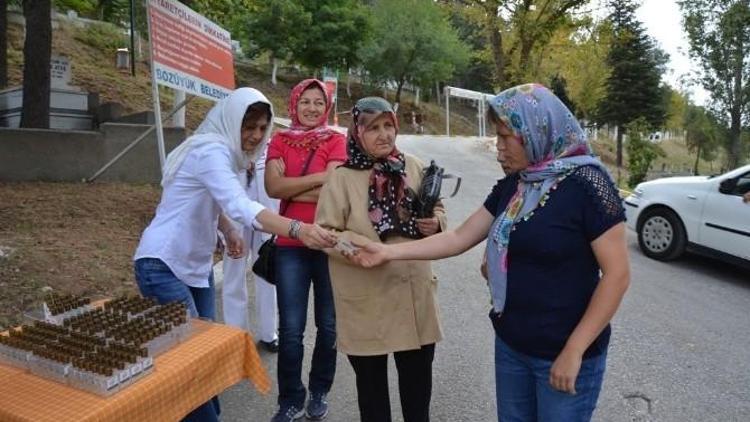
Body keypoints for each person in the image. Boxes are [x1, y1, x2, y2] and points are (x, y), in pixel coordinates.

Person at [348, 84, 631, 422]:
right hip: (513, 345)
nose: (498, 149)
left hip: (566, 354)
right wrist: (386, 252)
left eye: (505, 138)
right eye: (497, 138)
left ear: (534, 132)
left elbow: (617, 275)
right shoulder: (516, 184)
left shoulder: (589, 185)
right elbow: (458, 238)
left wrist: (575, 349)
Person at [133, 87, 336, 422]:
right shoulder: (210, 152)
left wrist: (226, 230)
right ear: (230, 120)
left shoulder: (227, 154)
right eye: (248, 126)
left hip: (194, 269)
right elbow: (240, 205)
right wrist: (298, 229)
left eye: (262, 128)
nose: (256, 136)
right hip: (161, 264)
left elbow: (210, 201)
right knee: (193, 361)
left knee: (202, 361)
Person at [315, 96, 446, 422]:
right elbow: (325, 232)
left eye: (389, 126)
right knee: (373, 398)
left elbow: (438, 209)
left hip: (413, 296)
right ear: (357, 132)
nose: (384, 135)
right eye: (373, 128)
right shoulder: (341, 178)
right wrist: (360, 248)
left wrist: (437, 223)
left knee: (418, 395)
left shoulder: (413, 166)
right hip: (367, 297)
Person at [264, 79, 347, 422]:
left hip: (328, 243)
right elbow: (272, 187)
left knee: (328, 326)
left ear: (326, 106)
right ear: (294, 105)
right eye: (305, 102)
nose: (312, 108)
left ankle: (318, 391)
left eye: (318, 102)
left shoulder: (337, 139)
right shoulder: (279, 140)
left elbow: (334, 191)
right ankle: (290, 399)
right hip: (289, 244)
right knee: (291, 329)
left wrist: (291, 188)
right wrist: (317, 180)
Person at [220, 143, 280, 353]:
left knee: (267, 272)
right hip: (234, 216)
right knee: (233, 274)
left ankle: (269, 333)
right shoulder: (224, 147)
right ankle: (237, 336)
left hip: (266, 213)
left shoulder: (272, 144)